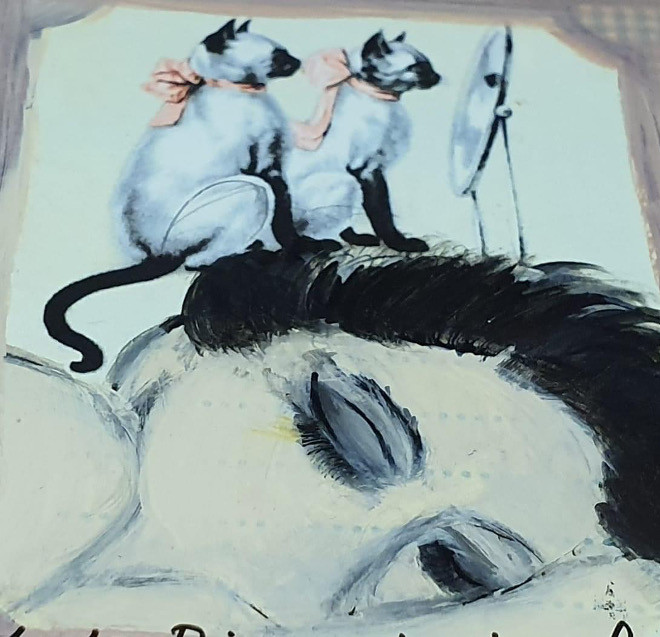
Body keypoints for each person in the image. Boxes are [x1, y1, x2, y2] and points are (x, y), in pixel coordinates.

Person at [3, 245, 660, 635]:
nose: (355, 539)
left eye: (452, 568)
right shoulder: (51, 434)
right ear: (167, 355)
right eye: (347, 436)